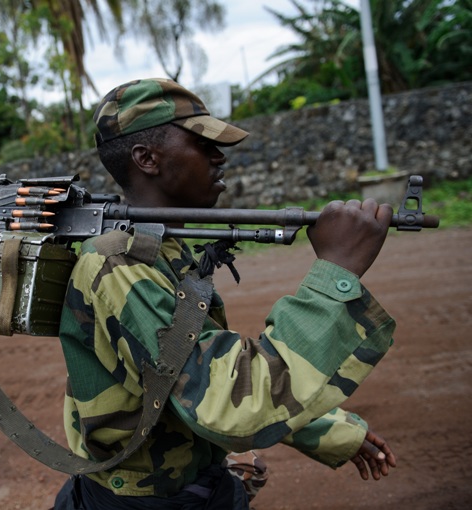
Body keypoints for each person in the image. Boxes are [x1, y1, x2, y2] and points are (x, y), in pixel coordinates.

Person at [54, 78, 397, 509]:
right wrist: (337, 272)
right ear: (147, 158)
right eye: (202, 143)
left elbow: (199, 370)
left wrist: (333, 432)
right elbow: (229, 405)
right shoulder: (119, 265)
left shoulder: (157, 250)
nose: (219, 157)